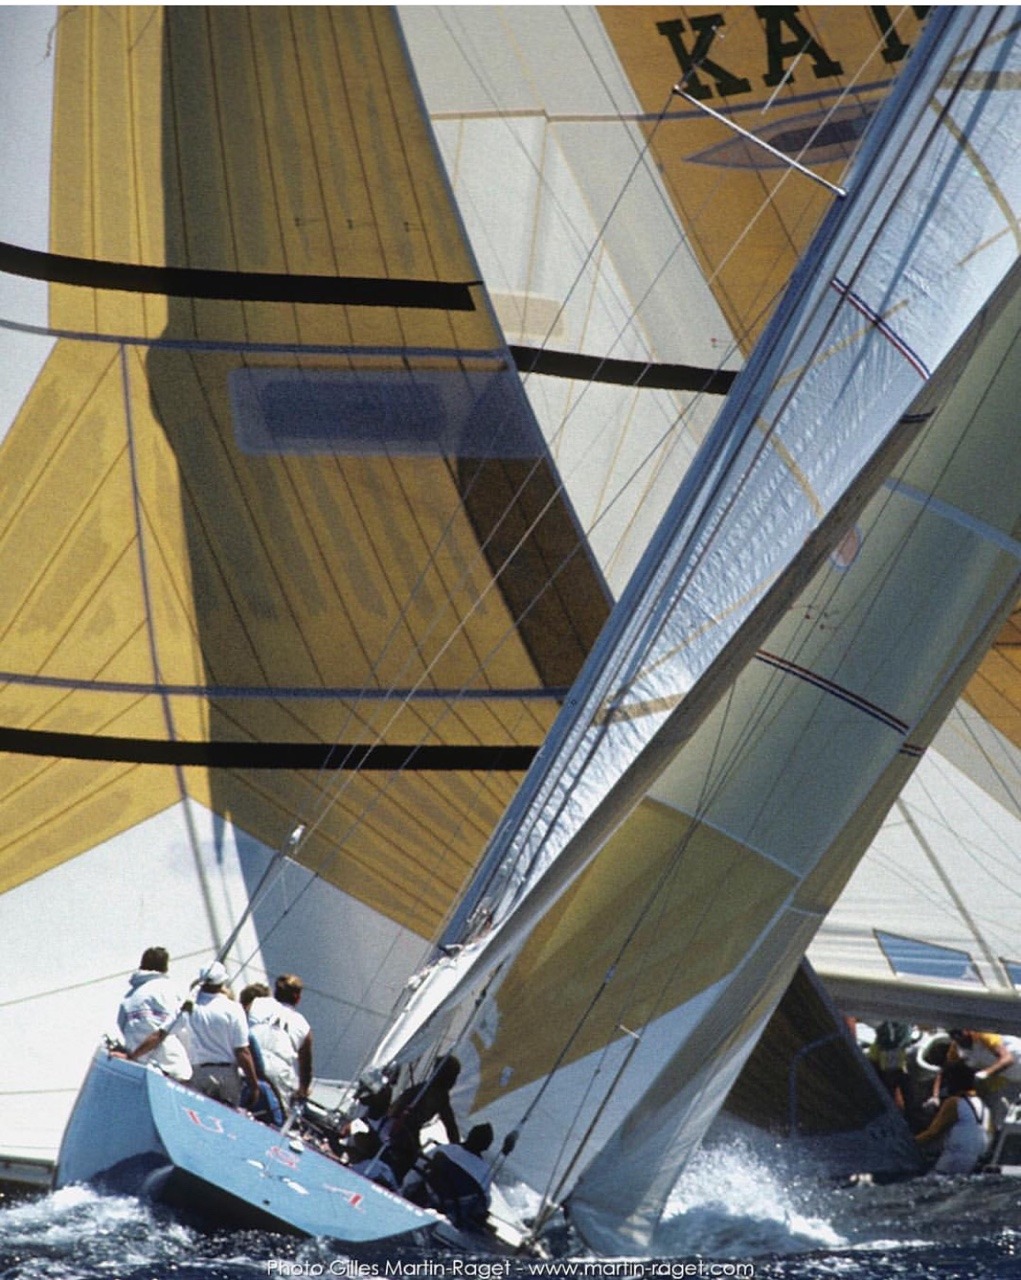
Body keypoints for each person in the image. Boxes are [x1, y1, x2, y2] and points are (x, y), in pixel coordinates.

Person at [378, 1055, 461, 1183]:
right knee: (410, 1161)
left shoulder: (433, 1091)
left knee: (415, 1159)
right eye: (454, 1076)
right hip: (397, 1130)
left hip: (402, 1130)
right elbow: (450, 1125)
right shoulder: (433, 1093)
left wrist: (457, 1149)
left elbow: (450, 1126)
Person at [186, 962, 259, 1107]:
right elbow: (242, 1051)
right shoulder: (233, 1008)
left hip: (198, 1072)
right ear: (222, 982)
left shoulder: (190, 1007)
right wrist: (254, 1085)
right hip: (226, 1074)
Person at [116, 946, 192, 1081]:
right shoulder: (169, 988)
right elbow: (181, 1024)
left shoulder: (129, 996)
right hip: (170, 1068)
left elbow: (122, 1025)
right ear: (165, 967)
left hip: (139, 1068)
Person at [404, 1122, 494, 1230]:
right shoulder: (485, 1171)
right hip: (451, 1217)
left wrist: (403, 1191)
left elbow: (416, 1172)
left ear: (470, 1135)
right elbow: (482, 1204)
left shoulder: (444, 1150)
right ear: (487, 1146)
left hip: (421, 1201)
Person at [245, 974, 313, 1112]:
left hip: (249, 1064)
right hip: (277, 1076)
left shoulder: (256, 1004)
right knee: (278, 1114)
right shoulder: (304, 1026)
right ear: (298, 998)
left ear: (275, 991)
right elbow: (306, 1068)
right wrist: (302, 1091)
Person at [915, 1060, 990, 1174]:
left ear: (954, 1082)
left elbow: (933, 1133)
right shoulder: (984, 1106)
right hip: (973, 1163)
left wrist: (910, 1143)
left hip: (952, 1162)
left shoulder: (954, 1102)